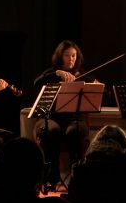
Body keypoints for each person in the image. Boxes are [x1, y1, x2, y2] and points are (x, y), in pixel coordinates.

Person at [32, 40, 95, 191]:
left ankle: (76, 178)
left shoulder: (82, 76)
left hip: (74, 120)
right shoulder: (52, 73)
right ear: (60, 57)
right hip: (51, 118)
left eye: (73, 56)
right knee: (51, 131)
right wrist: (57, 73)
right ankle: (52, 178)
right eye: (67, 55)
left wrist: (96, 86)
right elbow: (36, 83)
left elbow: (102, 93)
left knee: (75, 131)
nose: (71, 59)